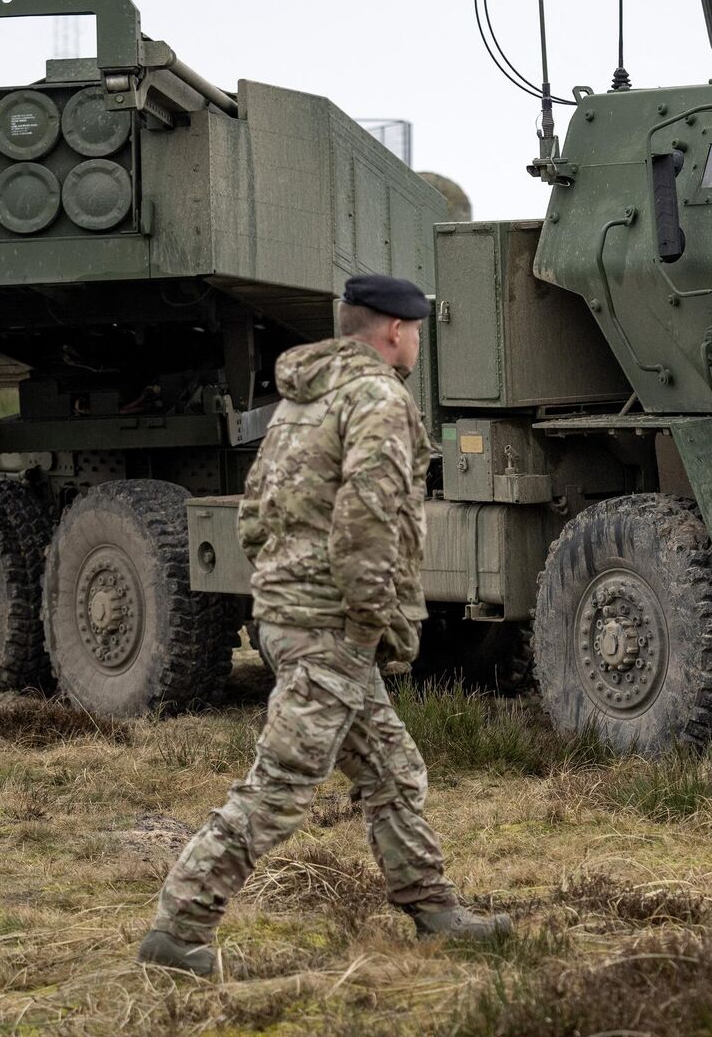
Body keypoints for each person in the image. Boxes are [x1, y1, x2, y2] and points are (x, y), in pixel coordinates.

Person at [139, 274, 509, 977]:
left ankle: (435, 910)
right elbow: (369, 520)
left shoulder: (300, 402)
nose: (418, 342)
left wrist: (287, 591)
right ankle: (178, 928)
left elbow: (254, 512)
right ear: (395, 332)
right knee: (280, 786)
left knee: (393, 769)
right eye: (417, 331)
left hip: (292, 613)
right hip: (330, 626)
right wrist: (374, 623)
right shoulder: (376, 399)